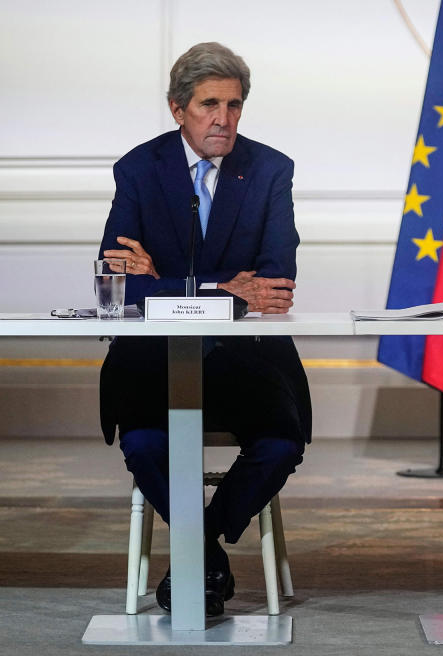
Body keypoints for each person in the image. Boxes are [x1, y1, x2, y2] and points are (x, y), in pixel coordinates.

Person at [98, 42, 311, 617]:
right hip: (154, 358)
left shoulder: (268, 170)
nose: (224, 119)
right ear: (177, 109)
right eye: (209, 105)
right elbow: (115, 283)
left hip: (246, 359)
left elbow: (276, 283)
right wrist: (218, 291)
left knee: (281, 444)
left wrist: (162, 280)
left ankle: (200, 550)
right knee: (143, 443)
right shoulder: (141, 169)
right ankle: (209, 559)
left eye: (235, 105)